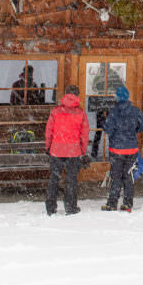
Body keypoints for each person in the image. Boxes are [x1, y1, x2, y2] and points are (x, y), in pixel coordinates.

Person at [44, 84, 88, 216]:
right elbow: (84, 135)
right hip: (73, 150)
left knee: (54, 178)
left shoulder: (56, 111)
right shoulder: (80, 113)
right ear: (77, 95)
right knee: (72, 179)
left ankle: (50, 207)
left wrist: (48, 146)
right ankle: (70, 206)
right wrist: (83, 151)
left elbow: (49, 131)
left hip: (56, 149)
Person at [101, 86, 143, 212]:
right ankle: (127, 204)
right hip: (131, 149)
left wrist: (103, 122)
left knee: (116, 177)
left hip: (117, 150)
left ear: (118, 98)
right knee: (128, 176)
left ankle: (112, 203)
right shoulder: (135, 111)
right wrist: (133, 131)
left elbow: (108, 130)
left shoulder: (114, 112)